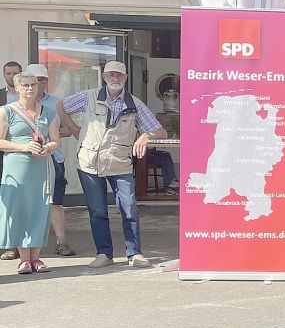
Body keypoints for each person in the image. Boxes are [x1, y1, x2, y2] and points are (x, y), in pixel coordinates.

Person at [57, 61, 167, 268]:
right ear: (104, 77)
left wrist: (146, 136)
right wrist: (73, 128)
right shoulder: (88, 96)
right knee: (97, 211)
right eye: (110, 75)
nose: (114, 79)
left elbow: (161, 131)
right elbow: (61, 105)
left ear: (125, 78)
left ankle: (134, 254)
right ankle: (104, 254)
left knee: (128, 208)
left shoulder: (134, 104)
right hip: (89, 162)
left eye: (119, 75)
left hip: (119, 162)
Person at [0, 71, 60, 274]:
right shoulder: (6, 111)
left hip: (41, 167)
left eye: (33, 85)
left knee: (39, 209)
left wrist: (47, 148)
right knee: (19, 210)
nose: (29, 89)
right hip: (16, 167)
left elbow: (55, 140)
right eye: (25, 85)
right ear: (16, 88)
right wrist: (24, 147)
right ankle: (24, 258)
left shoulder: (48, 112)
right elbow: (0, 141)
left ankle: (37, 258)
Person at [24, 64, 75, 256]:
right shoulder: (14, 105)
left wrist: (53, 136)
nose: (38, 84)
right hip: (26, 159)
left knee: (56, 202)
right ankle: (20, 246)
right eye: (34, 80)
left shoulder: (56, 102)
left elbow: (70, 128)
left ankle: (61, 242)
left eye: (42, 80)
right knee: (25, 202)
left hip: (54, 158)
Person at [0, 60, 23, 261]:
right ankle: (7, 243)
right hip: (2, 153)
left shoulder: (29, 97)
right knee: (4, 202)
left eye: (16, 73)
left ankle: (15, 246)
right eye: (8, 73)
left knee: (17, 202)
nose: (11, 76)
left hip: (20, 156)